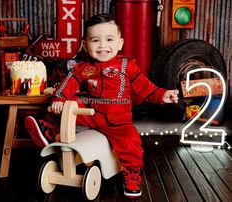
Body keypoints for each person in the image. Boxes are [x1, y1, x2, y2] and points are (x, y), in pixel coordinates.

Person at [25, 13, 179, 198]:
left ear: (120, 43)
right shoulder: (83, 68)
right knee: (69, 106)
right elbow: (70, 82)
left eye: (109, 39)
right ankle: (49, 130)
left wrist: (163, 95)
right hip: (92, 112)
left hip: (118, 119)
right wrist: (59, 98)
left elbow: (145, 88)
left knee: (131, 143)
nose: (103, 46)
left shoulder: (126, 66)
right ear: (85, 45)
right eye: (95, 40)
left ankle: (131, 175)